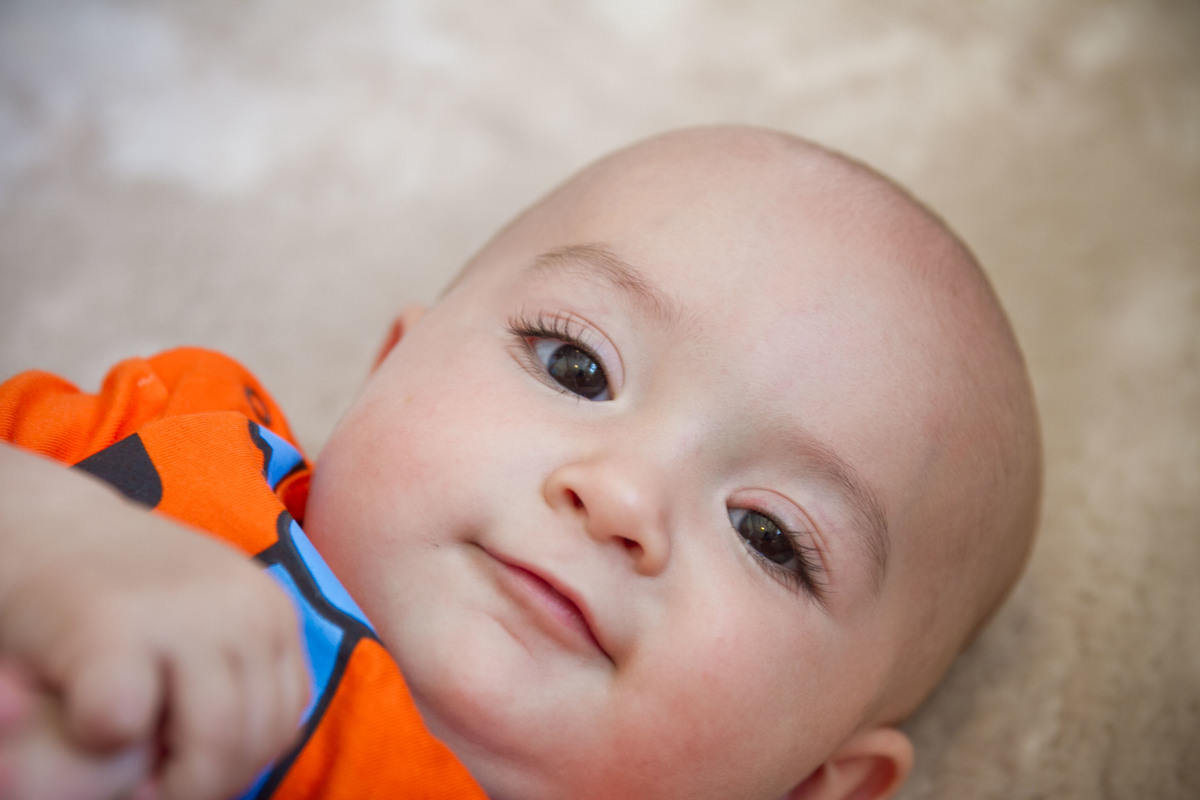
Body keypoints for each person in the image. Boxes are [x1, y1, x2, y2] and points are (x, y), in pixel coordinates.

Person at [0, 125, 1042, 800]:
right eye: (576, 365)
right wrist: (48, 528)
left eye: (768, 534)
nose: (621, 495)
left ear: (817, 782)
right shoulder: (181, 443)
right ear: (391, 367)